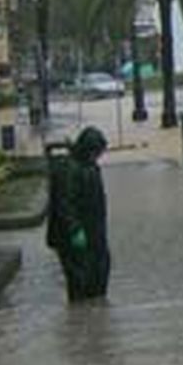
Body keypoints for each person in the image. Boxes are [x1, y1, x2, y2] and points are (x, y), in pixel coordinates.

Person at [46, 126, 111, 301]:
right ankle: (84, 320)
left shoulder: (89, 166)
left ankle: (94, 321)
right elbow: (64, 204)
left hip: (93, 234)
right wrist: (75, 230)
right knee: (80, 283)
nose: (97, 157)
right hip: (72, 237)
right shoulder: (68, 170)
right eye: (95, 153)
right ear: (86, 149)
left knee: (98, 277)